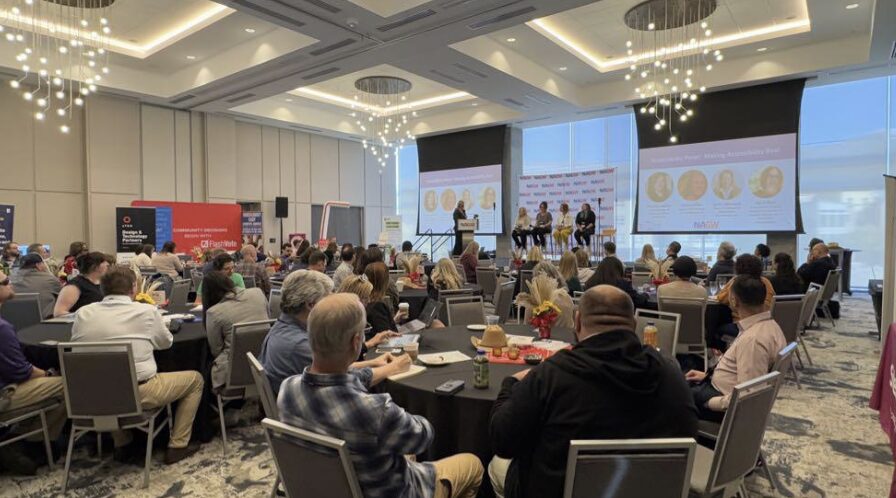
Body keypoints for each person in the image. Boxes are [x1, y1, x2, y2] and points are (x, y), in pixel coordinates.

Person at [489, 285, 698, 498]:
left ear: (577, 321)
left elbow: (502, 441)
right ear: (634, 325)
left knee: (497, 465)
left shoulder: (551, 375)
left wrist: (510, 384)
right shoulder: (671, 374)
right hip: (648, 489)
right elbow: (689, 431)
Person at [278, 293, 483, 498]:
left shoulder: (287, 390)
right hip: (395, 491)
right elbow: (422, 438)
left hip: (325, 488)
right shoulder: (376, 411)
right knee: (472, 465)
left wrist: (387, 370)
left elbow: (344, 378)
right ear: (356, 341)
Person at [71, 267, 204, 464]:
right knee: (195, 380)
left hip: (90, 395)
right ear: (134, 288)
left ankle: (122, 443)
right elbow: (165, 343)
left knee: (105, 381)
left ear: (102, 289)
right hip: (138, 392)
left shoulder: (83, 313)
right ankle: (178, 445)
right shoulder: (147, 311)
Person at [259, 270, 405, 395]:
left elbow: (333, 368)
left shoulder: (280, 329)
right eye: (328, 298)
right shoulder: (299, 345)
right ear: (311, 304)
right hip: (318, 417)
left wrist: (373, 362)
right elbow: (349, 379)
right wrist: (393, 367)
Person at [685, 275, 786, 422]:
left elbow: (747, 395)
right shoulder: (770, 326)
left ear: (734, 300)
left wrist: (708, 401)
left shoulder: (753, 340)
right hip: (719, 388)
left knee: (667, 394)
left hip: (722, 406)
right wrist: (707, 376)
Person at [0, 269, 67, 474]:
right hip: (5, 394)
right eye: (6, 281)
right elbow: (23, 372)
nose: (12, 283)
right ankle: (32, 444)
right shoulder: (2, 329)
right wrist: (49, 375)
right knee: (71, 384)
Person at [202, 272, 269, 391]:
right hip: (266, 359)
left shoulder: (214, 312)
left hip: (234, 371)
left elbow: (216, 349)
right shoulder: (257, 293)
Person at [712, 254, 776, 350]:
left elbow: (721, 298)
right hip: (766, 324)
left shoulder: (737, 283)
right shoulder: (766, 282)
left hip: (743, 324)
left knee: (714, 327)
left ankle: (724, 355)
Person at [53, 251, 108, 317]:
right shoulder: (74, 286)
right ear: (94, 266)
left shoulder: (104, 283)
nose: (107, 264)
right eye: (103, 262)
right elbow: (59, 313)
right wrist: (85, 317)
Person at [583, 257, 648, 308]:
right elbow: (638, 301)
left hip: (592, 321)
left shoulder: (589, 284)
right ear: (619, 270)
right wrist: (646, 294)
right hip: (619, 321)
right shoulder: (623, 285)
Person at [365, 262, 409, 334]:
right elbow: (385, 335)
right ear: (385, 281)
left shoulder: (367, 299)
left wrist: (394, 320)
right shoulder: (377, 305)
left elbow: (380, 327)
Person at [798, 242, 839, 317]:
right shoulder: (831, 262)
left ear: (818, 251)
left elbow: (800, 273)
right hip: (823, 292)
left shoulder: (818, 264)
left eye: (813, 250)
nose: (811, 253)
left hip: (813, 291)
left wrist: (807, 262)